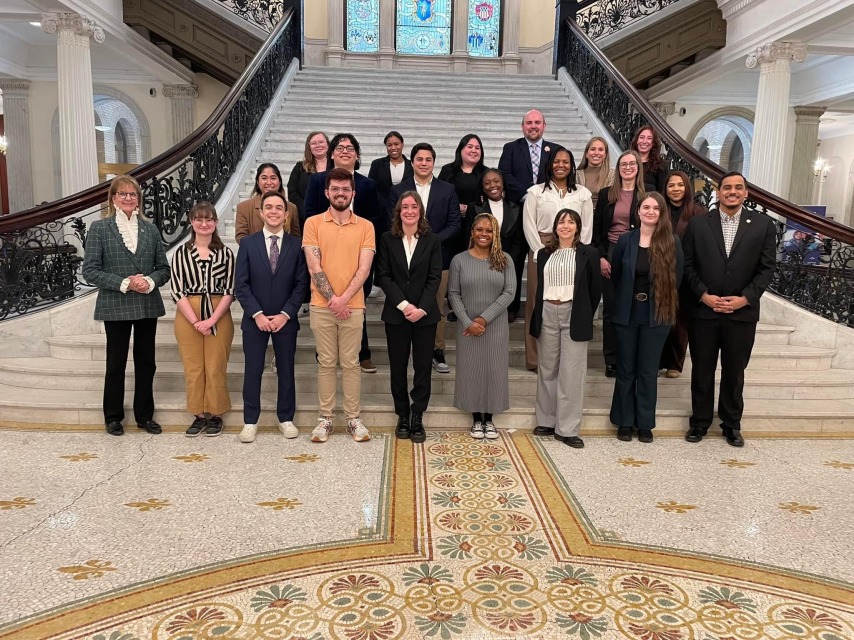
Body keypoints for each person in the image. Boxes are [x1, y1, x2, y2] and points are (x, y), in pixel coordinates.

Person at [682, 172, 776, 447]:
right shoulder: (699, 225)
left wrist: (745, 298)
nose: (732, 192)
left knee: (735, 371)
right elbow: (687, 265)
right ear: (718, 192)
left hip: (741, 313)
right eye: (726, 188)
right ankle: (699, 422)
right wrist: (703, 295)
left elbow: (767, 268)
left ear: (746, 193)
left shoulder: (762, 225)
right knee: (702, 369)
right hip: (705, 312)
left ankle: (731, 424)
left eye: (738, 188)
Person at [81, 175, 170, 436]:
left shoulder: (151, 230)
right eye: (123, 194)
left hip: (146, 304)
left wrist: (149, 281)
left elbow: (163, 269)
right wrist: (124, 283)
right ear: (113, 198)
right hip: (115, 303)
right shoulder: (99, 228)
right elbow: (90, 271)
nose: (129, 198)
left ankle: (145, 416)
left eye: (133, 194)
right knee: (116, 362)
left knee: (146, 362)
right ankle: (113, 417)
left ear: (139, 199)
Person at [303, 168, 376, 443]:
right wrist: (334, 300)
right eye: (335, 189)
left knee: (351, 363)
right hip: (322, 306)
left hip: (353, 307)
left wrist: (343, 300)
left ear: (353, 193)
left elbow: (364, 268)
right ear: (327, 192)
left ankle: (353, 419)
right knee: (326, 363)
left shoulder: (366, 226)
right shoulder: (313, 223)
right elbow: (314, 265)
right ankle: (325, 419)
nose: (340, 193)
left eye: (345, 189)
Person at [303, 133, 382, 374]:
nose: (345, 151)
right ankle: (324, 353)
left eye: (350, 148)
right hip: (324, 255)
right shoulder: (317, 181)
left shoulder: (368, 185)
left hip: (358, 255)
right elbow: (308, 214)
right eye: (340, 147)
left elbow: (376, 220)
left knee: (358, 304)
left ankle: (362, 352)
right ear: (332, 153)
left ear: (357, 155)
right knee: (327, 304)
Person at [235, 191, 308, 443]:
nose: (274, 211)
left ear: (286, 214)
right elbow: (241, 285)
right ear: (261, 212)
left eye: (279, 207)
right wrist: (257, 314)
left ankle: (286, 418)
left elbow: (301, 285)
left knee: (286, 371)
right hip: (254, 320)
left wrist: (286, 314)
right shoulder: (248, 244)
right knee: (252, 370)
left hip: (285, 321)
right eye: (269, 207)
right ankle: (250, 421)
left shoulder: (297, 245)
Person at [609, 192, 683, 443]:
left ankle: (644, 423)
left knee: (648, 371)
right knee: (626, 369)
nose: (650, 212)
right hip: (627, 313)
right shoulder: (625, 241)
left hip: (656, 315)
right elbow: (617, 275)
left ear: (662, 213)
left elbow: (678, 279)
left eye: (656, 208)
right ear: (638, 211)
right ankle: (624, 421)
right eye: (646, 207)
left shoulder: (672, 242)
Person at [529, 209, 602, 448]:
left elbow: (594, 289)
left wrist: (583, 314)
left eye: (571, 222)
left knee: (571, 373)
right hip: (548, 312)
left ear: (578, 227)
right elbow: (540, 288)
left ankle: (567, 428)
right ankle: (547, 421)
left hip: (574, 313)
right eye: (561, 221)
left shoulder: (588, 254)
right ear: (555, 227)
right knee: (548, 369)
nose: (566, 226)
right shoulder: (543, 254)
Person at [387, 142, 461, 374]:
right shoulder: (399, 190)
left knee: (435, 306)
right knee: (405, 304)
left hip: (439, 259)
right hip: (403, 261)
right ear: (412, 162)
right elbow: (392, 223)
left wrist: (430, 244)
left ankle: (436, 350)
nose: (424, 163)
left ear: (433, 162)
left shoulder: (447, 189)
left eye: (428, 159)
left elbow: (455, 223)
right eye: (419, 159)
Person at [375, 191, 442, 444]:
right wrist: (404, 306)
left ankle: (417, 414)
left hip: (425, 316)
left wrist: (421, 308)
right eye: (405, 207)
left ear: (420, 211)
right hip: (396, 314)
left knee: (423, 367)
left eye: (414, 206)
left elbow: (435, 277)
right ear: (399, 211)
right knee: (398, 366)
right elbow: (384, 276)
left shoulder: (432, 240)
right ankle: (402, 414)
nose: (410, 211)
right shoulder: (387, 239)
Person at [523, 147, 593, 371]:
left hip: (574, 250)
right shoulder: (536, 192)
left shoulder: (582, 194)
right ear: (549, 164)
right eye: (556, 161)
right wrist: (538, 252)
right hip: (542, 248)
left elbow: (587, 226)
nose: (561, 165)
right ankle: (535, 358)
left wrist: (580, 252)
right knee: (537, 300)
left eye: (565, 161)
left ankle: (566, 356)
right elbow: (529, 224)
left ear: (572, 165)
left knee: (572, 299)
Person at [170, 202, 236, 436]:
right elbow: (177, 290)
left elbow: (230, 290)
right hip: (188, 311)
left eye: (209, 219)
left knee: (216, 365)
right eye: (199, 219)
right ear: (192, 222)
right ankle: (198, 413)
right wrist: (196, 321)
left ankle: (216, 413)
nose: (204, 223)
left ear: (216, 223)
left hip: (219, 311)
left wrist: (211, 320)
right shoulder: (181, 253)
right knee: (194, 366)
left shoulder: (226, 252)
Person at [448, 213, 516, 440]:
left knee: (493, 370)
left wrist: (484, 319)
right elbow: (454, 294)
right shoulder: (459, 260)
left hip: (494, 326)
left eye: (489, 230)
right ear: (472, 232)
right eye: (479, 229)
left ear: (495, 234)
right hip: (467, 327)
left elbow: (509, 292)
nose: (484, 234)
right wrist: (468, 322)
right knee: (472, 369)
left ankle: (490, 420)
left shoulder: (505, 259)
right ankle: (476, 419)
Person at [592, 149, 645, 378]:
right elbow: (596, 229)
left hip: (637, 252)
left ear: (638, 168)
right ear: (618, 168)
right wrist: (601, 257)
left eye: (632, 164)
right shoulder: (606, 194)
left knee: (633, 307)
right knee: (612, 309)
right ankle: (611, 359)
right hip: (611, 252)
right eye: (624, 164)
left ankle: (630, 356)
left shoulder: (647, 196)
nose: (628, 167)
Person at [659, 171, 707, 378]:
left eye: (680, 185)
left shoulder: (699, 212)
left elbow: (704, 244)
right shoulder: (659, 210)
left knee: (680, 321)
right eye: (671, 185)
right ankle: (657, 360)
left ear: (687, 188)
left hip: (686, 272)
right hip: (660, 270)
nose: (675, 189)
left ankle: (675, 363)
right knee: (660, 318)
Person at [469, 169, 525, 321]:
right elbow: (470, 238)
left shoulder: (516, 209)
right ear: (482, 187)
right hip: (481, 260)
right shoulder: (474, 208)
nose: (492, 185)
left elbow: (519, 240)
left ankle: (511, 309)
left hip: (509, 261)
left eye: (496, 181)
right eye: (487, 183)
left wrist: (507, 259)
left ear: (503, 184)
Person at [498, 109, 558, 204]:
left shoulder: (556, 150)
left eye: (537, 122)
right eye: (529, 123)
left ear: (544, 126)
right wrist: (527, 195)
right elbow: (504, 174)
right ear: (522, 126)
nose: (533, 126)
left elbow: (559, 176)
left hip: (549, 204)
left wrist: (544, 196)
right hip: (518, 207)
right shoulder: (510, 148)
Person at [438, 133, 487, 242]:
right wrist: (455, 207)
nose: (474, 150)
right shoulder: (447, 170)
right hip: (449, 224)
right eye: (470, 147)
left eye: (477, 148)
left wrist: (470, 209)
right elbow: (438, 195)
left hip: (476, 225)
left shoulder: (486, 173)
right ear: (460, 149)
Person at [236, 163, 301, 243]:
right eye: (264, 178)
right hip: (254, 254)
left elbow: (296, 237)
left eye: (273, 178)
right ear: (257, 182)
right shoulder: (244, 207)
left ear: (279, 182)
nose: (269, 182)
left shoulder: (291, 208)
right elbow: (241, 237)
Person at [369, 131, 412, 214]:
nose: (393, 148)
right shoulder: (377, 164)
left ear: (402, 145)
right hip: (382, 212)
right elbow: (372, 188)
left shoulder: (412, 165)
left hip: (407, 211)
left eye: (396, 144)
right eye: (389, 145)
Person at [287, 131, 328, 220]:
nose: (318, 145)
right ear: (309, 147)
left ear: (328, 144)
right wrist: (305, 211)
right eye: (313, 143)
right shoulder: (300, 167)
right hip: (305, 217)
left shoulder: (336, 167)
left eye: (321, 142)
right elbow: (292, 192)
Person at [576, 136, 615, 210]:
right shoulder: (576, 174)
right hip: (581, 216)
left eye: (600, 150)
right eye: (593, 149)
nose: (596, 153)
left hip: (603, 216)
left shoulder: (613, 174)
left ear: (605, 155)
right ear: (586, 154)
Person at [631, 125, 668, 193]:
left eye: (649, 138)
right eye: (641, 137)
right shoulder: (628, 162)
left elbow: (662, 192)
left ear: (653, 143)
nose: (644, 141)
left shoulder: (661, 165)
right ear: (636, 140)